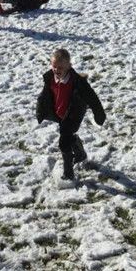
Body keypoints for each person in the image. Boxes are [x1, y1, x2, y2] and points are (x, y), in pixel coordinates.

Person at [35, 48, 106, 181]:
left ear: (69, 65)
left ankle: (68, 174)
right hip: (59, 113)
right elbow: (44, 95)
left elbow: (92, 98)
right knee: (68, 136)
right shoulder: (50, 78)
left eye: (60, 67)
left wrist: (99, 114)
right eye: (54, 66)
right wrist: (40, 109)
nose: (57, 70)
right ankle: (80, 154)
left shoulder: (77, 82)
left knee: (63, 142)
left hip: (74, 114)